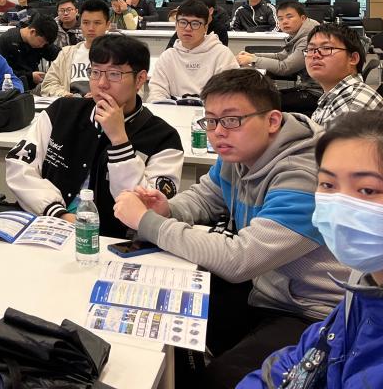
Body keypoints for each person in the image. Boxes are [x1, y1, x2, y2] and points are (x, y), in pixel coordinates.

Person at [114, 70, 344, 386]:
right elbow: (206, 196)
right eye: (211, 121)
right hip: (266, 288)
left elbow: (239, 260)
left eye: (232, 120)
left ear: (272, 121)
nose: (218, 132)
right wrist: (167, 209)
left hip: (314, 312)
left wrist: (147, 222)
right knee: (165, 310)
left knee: (222, 378)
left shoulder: (305, 175)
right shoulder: (239, 152)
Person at [238, 109, 383, 388]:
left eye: (367, 190)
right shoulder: (369, 290)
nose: (340, 207)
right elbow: (296, 366)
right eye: (328, 184)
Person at [8, 34, 183, 233]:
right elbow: (19, 166)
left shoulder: (163, 139)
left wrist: (119, 140)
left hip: (112, 240)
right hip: (48, 226)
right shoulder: (61, 112)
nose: (102, 83)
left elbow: (147, 208)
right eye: (95, 72)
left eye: (114, 74)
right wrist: (57, 213)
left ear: (140, 79)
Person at [148, 0, 239, 102]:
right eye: (183, 22)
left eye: (195, 24)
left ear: (205, 27)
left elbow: (229, 95)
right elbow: (157, 92)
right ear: (176, 25)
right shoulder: (168, 56)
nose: (188, 28)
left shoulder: (222, 55)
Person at [306, 23, 383, 128]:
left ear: (353, 58)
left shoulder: (351, 107)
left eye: (326, 48)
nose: (315, 55)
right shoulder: (337, 94)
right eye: (311, 49)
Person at [41, 0, 111, 97]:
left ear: (107, 25)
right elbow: (48, 84)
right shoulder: (66, 53)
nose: (91, 28)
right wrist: (67, 95)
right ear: (80, 24)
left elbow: (128, 88)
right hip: (72, 103)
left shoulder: (118, 55)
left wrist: (99, 95)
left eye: (97, 23)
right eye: (86, 23)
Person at [237, 1, 318, 81]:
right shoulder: (298, 34)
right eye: (280, 19)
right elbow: (281, 56)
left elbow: (284, 67)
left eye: (289, 17)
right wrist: (253, 56)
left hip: (315, 87)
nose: (284, 22)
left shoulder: (310, 39)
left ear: (303, 18)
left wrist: (253, 60)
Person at [0, 14, 60, 90]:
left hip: (33, 89)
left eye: (45, 44)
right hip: (11, 88)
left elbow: (58, 54)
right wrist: (29, 76)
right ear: (32, 32)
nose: (42, 46)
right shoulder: (6, 40)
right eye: (42, 42)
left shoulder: (41, 41)